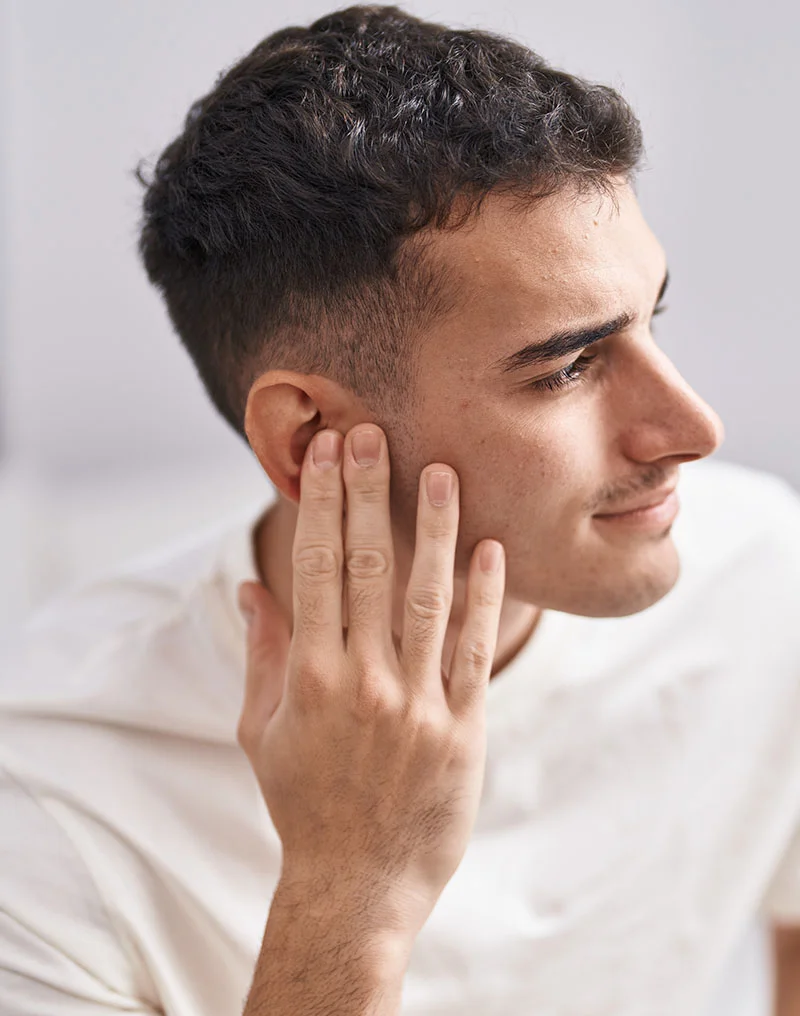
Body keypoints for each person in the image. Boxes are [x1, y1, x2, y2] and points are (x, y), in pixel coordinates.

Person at [1, 4, 800, 1014]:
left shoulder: (761, 570)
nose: (692, 427)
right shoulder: (42, 801)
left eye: (653, 319)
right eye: (566, 365)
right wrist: (349, 890)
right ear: (305, 440)